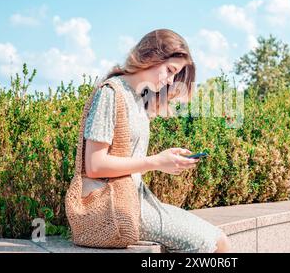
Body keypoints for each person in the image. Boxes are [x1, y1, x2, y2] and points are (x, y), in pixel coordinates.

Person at [82, 29, 232, 253]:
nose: (170, 80)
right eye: (169, 71)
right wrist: (155, 162)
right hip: (114, 207)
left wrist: (166, 160)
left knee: (219, 239)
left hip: (135, 200)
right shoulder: (111, 93)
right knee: (212, 242)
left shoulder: (138, 98)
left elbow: (132, 159)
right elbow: (94, 166)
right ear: (150, 56)